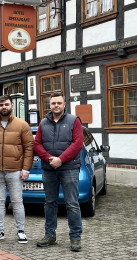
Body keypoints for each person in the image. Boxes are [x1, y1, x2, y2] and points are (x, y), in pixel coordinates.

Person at [34, 92, 84, 252]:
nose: (56, 105)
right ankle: (50, 236)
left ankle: (75, 238)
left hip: (69, 168)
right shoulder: (43, 123)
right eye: (53, 103)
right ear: (50, 105)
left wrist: (61, 159)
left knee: (72, 204)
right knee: (49, 203)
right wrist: (49, 158)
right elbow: (37, 144)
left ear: (64, 105)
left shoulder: (74, 121)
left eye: (59, 103)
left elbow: (78, 143)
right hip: (49, 169)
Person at [0, 95, 34, 244]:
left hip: (16, 170)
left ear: (11, 106)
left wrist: (26, 168)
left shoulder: (22, 125)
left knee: (17, 202)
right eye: (1, 105)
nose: (4, 107)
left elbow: (29, 147)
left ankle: (21, 231)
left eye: (6, 104)